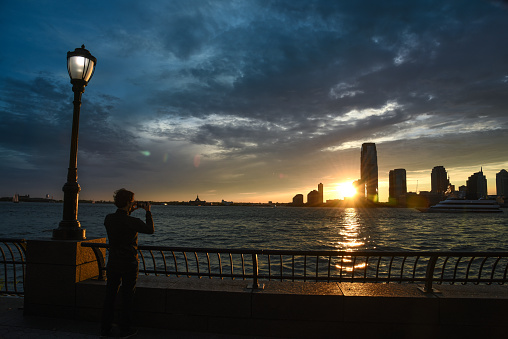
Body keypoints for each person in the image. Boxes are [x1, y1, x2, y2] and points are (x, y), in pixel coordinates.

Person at [101, 188, 154, 338]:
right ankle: (125, 329)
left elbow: (121, 221)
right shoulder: (133, 222)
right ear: (128, 202)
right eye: (132, 201)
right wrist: (147, 211)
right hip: (129, 263)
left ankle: (105, 328)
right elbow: (150, 230)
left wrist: (129, 209)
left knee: (110, 295)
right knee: (127, 296)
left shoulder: (109, 219)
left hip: (113, 262)